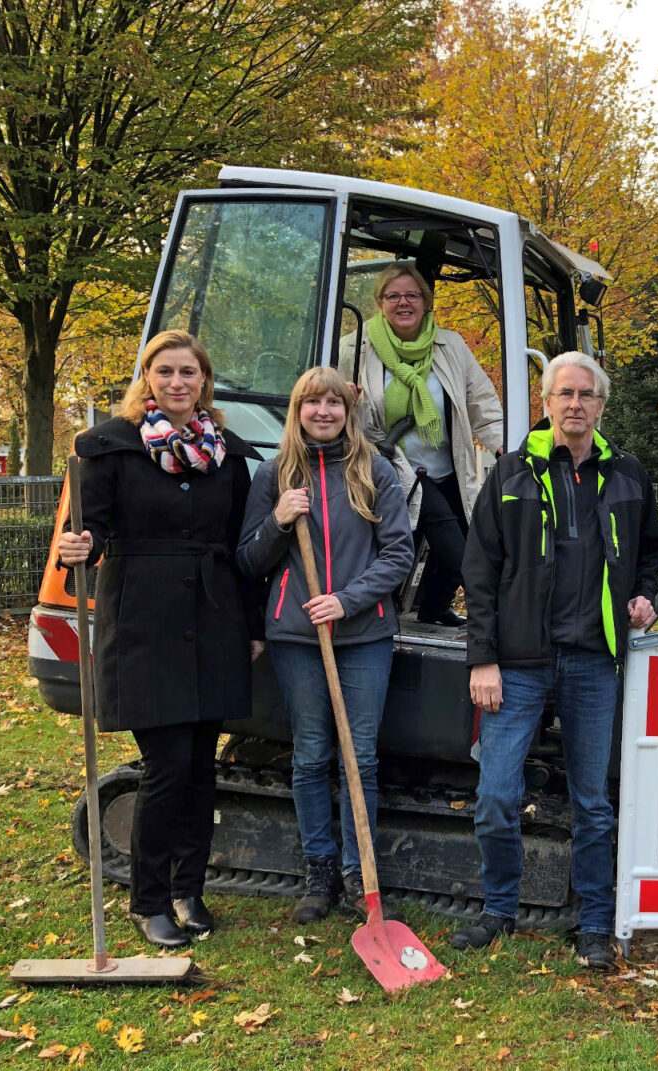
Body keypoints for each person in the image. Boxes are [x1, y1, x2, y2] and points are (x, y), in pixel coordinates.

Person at [452, 351, 658, 969]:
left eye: (587, 394)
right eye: (564, 393)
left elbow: (652, 551)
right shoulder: (513, 472)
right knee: (495, 794)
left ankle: (595, 923)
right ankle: (499, 910)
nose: (575, 404)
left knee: (593, 802)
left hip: (594, 660)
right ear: (545, 402)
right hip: (516, 663)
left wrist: (646, 594)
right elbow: (481, 571)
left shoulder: (627, 473)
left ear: (602, 404)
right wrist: (481, 659)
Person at [57, 329, 262, 949]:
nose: (177, 383)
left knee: (202, 766)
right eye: (165, 372)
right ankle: (149, 900)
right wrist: (76, 547)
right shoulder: (109, 450)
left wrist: (250, 625)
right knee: (167, 765)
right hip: (145, 618)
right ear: (147, 380)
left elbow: (242, 543)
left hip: (214, 616)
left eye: (189, 373)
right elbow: (84, 532)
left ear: (205, 382)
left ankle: (189, 888)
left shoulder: (226, 453)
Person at [237, 366, 413, 924]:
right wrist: (281, 522)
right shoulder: (275, 476)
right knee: (312, 754)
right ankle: (318, 873)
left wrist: (347, 600)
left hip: (363, 636)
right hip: (296, 636)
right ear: (297, 410)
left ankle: (358, 868)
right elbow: (247, 560)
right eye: (311, 402)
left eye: (333, 403)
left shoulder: (373, 470)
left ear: (347, 409)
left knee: (358, 758)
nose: (323, 412)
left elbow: (398, 554)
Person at [339, 263, 503, 626]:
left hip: (447, 463)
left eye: (412, 295)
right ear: (379, 302)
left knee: (471, 532)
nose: (403, 303)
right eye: (393, 296)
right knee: (458, 549)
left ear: (426, 302)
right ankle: (491, 617)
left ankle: (433, 608)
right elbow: (323, 400)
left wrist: (505, 448)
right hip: (393, 464)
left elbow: (481, 402)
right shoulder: (354, 349)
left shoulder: (451, 345)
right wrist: (343, 398)